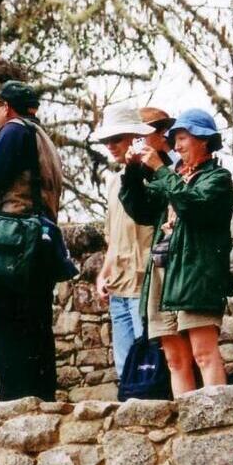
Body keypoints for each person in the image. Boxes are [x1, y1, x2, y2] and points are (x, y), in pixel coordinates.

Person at [120, 108, 233, 396]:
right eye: (174, 140)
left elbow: (193, 206)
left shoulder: (218, 178)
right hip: (163, 272)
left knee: (204, 353)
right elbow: (142, 211)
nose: (177, 146)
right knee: (175, 359)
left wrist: (160, 170)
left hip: (195, 273)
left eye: (183, 138)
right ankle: (188, 424)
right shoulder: (173, 177)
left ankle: (217, 419)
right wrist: (133, 174)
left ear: (204, 140)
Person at [0, 80, 65, 402]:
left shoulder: (13, 131)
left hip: (13, 242)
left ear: (6, 107)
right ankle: (42, 399)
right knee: (36, 327)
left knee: (7, 326)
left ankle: (15, 403)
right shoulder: (44, 139)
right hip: (41, 240)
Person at [92, 104, 157, 378]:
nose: (110, 146)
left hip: (145, 283)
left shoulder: (153, 174)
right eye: (107, 141)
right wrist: (103, 275)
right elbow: (113, 238)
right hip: (119, 284)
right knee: (124, 369)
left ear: (135, 137)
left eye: (116, 139)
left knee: (150, 365)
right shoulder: (113, 182)